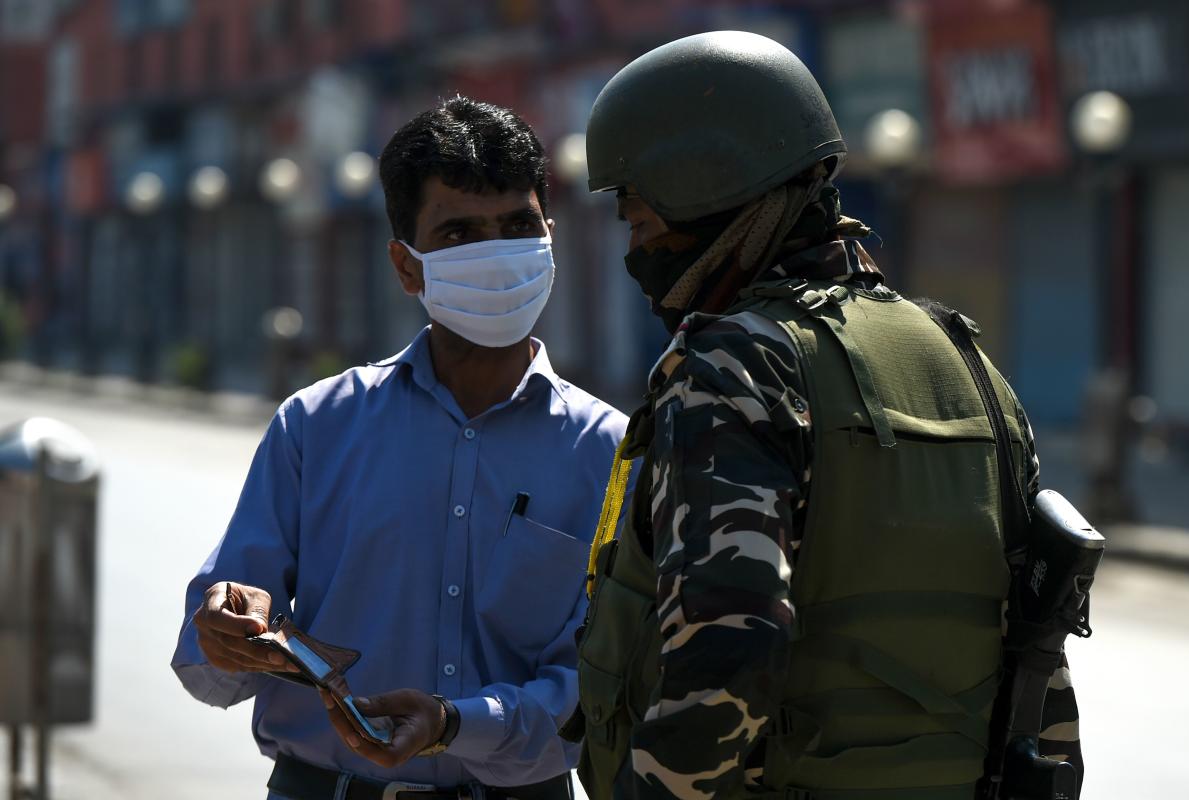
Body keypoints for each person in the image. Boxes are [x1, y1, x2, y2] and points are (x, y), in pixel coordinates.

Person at [566, 31, 1085, 800]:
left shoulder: (736, 366)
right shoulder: (966, 364)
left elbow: (727, 646)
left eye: (642, 221)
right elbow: (1040, 661)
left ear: (708, 191)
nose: (637, 251)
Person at [171, 96, 628, 800]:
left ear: (549, 241)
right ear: (406, 267)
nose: (495, 255)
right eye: (459, 234)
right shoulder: (316, 425)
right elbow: (215, 655)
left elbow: (604, 683)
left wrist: (458, 724)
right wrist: (222, 628)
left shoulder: (610, 451)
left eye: (516, 227)